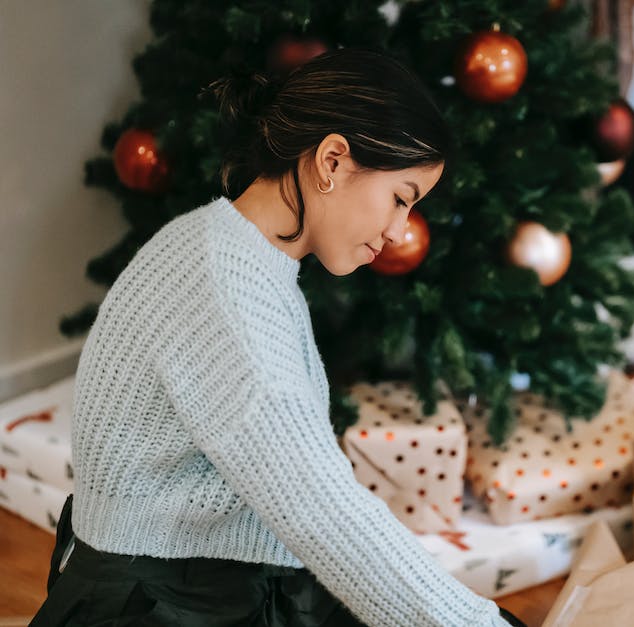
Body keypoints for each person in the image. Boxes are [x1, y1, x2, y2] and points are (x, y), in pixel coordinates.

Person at [32, 48, 525, 627]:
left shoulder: (230, 251)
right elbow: (324, 515)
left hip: (199, 582)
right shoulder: (225, 291)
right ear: (333, 161)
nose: (398, 233)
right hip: (161, 606)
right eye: (401, 199)